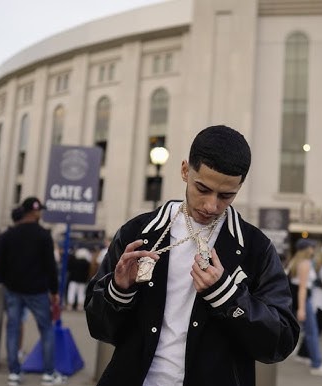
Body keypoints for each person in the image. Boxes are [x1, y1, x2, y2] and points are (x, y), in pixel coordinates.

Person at [85, 125, 299, 386]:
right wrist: (119, 290)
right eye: (203, 188)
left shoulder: (256, 248)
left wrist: (228, 297)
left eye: (226, 195)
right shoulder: (139, 232)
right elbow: (99, 328)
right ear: (185, 170)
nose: (211, 205)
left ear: (240, 186)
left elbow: (281, 342)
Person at [0, 197, 65, 386]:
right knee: (46, 330)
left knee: (12, 329)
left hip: (13, 290)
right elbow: (50, 266)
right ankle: (49, 374)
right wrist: (54, 290)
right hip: (37, 290)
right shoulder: (43, 234)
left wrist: (6, 281)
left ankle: (14, 373)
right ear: (35, 212)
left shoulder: (9, 235)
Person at [288, 238, 322, 376]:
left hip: (300, 299)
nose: (314, 250)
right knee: (312, 332)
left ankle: (305, 356)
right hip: (304, 300)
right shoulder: (305, 264)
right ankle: (316, 364)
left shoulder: (296, 262)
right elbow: (302, 288)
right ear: (308, 249)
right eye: (312, 247)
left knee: (308, 332)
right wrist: (302, 308)